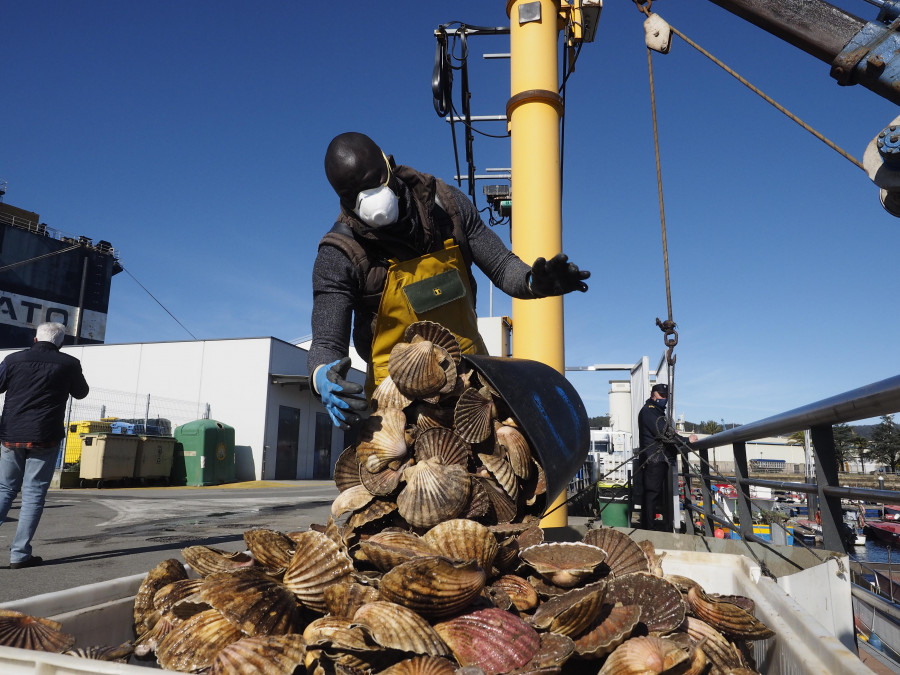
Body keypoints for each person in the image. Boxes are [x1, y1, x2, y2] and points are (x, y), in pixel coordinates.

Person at [309, 131, 590, 429]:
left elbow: (502, 265)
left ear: (387, 163)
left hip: (472, 384)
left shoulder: (446, 205)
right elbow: (327, 342)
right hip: (396, 405)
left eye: (374, 180)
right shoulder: (338, 254)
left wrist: (533, 281)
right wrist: (321, 378)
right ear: (342, 199)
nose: (371, 202)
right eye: (355, 195)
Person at [0, 322, 89, 569]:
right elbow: (81, 393)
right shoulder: (69, 364)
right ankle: (19, 554)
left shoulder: (13, 359)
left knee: (4, 489)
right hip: (45, 436)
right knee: (33, 495)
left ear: (36, 338)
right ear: (60, 342)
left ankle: (19, 552)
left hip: (11, 434)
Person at [636, 383, 697, 532]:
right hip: (654, 459)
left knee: (652, 495)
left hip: (656, 458)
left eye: (665, 396)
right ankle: (649, 529)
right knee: (651, 494)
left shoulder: (656, 411)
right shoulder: (650, 411)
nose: (664, 399)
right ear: (653, 395)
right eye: (661, 395)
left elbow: (665, 432)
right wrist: (685, 441)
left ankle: (649, 526)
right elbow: (664, 433)